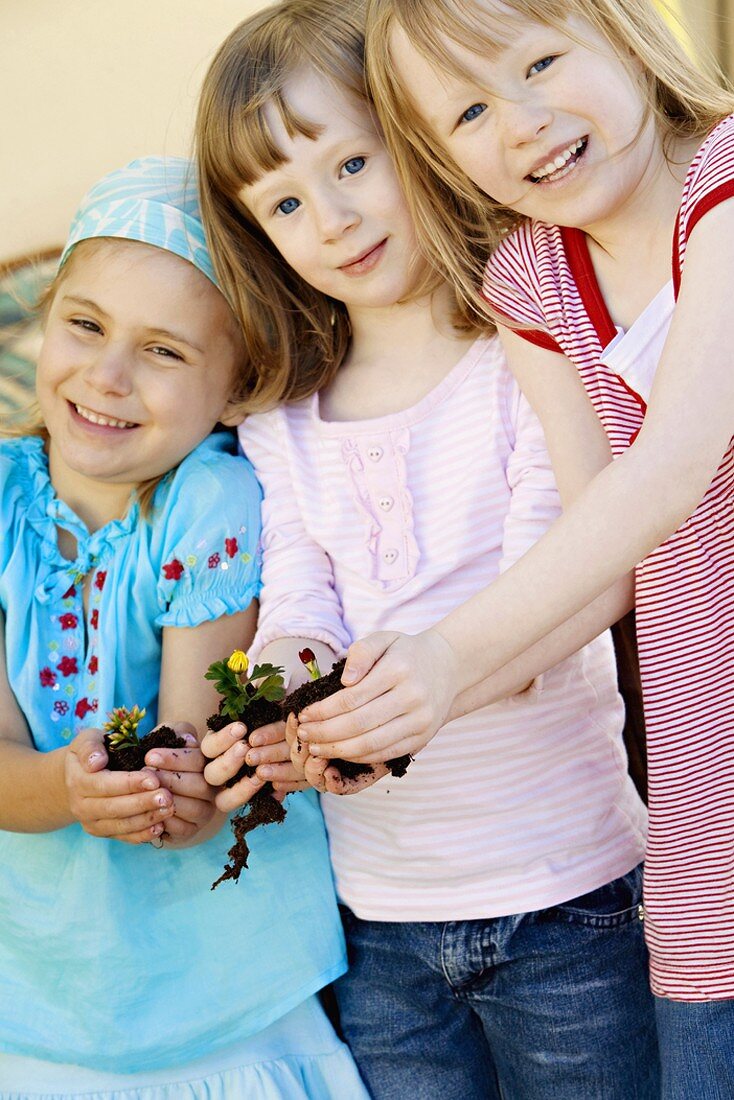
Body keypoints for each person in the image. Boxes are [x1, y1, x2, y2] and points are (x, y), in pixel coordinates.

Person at [195, 4, 659, 1097]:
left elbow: (569, 579)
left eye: (353, 159)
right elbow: (297, 601)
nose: (335, 215)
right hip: (382, 921)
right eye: (288, 202)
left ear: (419, 141)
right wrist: (278, 699)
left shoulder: (522, 349)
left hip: (568, 897)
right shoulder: (282, 423)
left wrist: (419, 678)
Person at [295, 0, 734, 1092]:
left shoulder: (723, 177)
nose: (525, 122)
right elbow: (599, 569)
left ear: (626, 30)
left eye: (540, 61)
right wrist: (405, 704)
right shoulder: (532, 285)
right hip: (703, 808)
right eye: (470, 112)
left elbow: (672, 463)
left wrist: (443, 657)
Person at [0, 156, 367, 1099]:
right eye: (85, 325)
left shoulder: (211, 498)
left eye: (165, 351)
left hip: (220, 988)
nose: (109, 376)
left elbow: (194, 765)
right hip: (36, 990)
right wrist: (63, 787)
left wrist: (165, 795)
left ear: (237, 387)